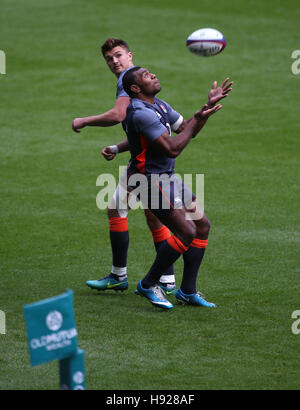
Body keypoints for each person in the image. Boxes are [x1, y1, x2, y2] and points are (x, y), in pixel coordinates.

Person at [121, 66, 233, 309]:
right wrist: (199, 118)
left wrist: (204, 111)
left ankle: (187, 291)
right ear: (136, 88)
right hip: (149, 181)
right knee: (186, 232)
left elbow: (185, 129)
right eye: (146, 76)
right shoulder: (140, 113)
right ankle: (149, 284)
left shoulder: (159, 105)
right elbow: (173, 148)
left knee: (202, 225)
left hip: (167, 177)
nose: (153, 75)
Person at [72, 39, 177, 294]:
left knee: (142, 215)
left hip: (147, 166)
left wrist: (84, 121)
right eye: (109, 59)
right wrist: (118, 148)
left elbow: (119, 116)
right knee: (140, 214)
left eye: (118, 55)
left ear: (130, 55)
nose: (114, 62)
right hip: (151, 161)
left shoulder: (129, 81)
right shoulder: (142, 80)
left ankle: (148, 280)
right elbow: (146, 128)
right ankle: (164, 281)